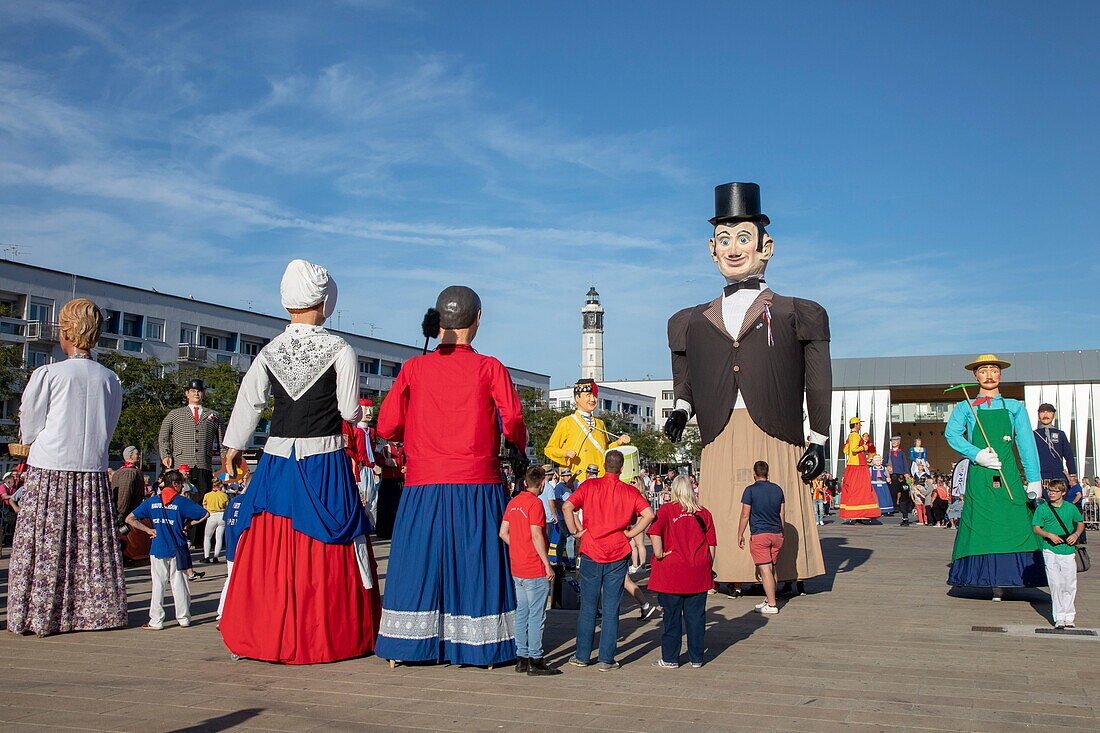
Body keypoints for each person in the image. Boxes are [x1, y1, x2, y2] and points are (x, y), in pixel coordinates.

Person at [663, 181, 826, 592]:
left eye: (743, 238)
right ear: (711, 249)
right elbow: (684, 375)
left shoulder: (795, 312)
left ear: (766, 247)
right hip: (719, 424)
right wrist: (682, 408)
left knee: (777, 493)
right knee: (722, 493)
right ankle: (728, 571)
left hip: (777, 425)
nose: (733, 249)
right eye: (724, 240)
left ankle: (785, 569)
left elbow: (818, 378)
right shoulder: (691, 319)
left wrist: (819, 438)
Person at [219, 259, 381, 664]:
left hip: (277, 460)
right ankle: (325, 636)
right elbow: (348, 410)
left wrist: (233, 444)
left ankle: (264, 630)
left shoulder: (270, 350)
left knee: (270, 542)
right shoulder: (340, 348)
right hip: (323, 461)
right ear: (324, 300)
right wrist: (369, 417)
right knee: (329, 544)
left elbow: (249, 400)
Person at [375, 285, 527, 668]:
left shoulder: (414, 367)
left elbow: (387, 425)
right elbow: (514, 422)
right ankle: (480, 647)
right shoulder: (489, 367)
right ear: (477, 319)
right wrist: (517, 445)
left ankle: (406, 646)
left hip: (423, 484)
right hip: (476, 483)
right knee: (476, 561)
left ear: (439, 320)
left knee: (419, 561)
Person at [6, 298, 126, 637]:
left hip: (50, 468)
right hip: (91, 468)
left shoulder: (48, 373)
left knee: (44, 545)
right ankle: (91, 612)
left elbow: (29, 426)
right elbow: (111, 423)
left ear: (66, 332)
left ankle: (38, 612)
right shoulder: (110, 378)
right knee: (88, 544)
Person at [945, 354, 1044, 600]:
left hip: (1008, 474)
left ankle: (1017, 577)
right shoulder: (965, 407)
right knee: (982, 524)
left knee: (1016, 520)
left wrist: (1034, 478)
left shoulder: (1014, 407)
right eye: (983, 371)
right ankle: (987, 578)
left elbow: (1026, 444)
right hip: (980, 475)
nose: (989, 375)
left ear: (1001, 374)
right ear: (975, 376)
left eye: (994, 370)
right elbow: (952, 435)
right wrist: (976, 454)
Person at [563, 449, 655, 670]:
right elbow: (649, 514)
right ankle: (606, 659)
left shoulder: (589, 486)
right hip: (617, 552)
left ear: (604, 465)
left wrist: (577, 532)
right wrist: (631, 534)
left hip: (592, 550)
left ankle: (582, 656)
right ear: (621, 468)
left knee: (588, 607)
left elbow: (567, 506)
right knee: (611, 607)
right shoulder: (629, 491)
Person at [648, 475, 716, 669]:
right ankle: (696, 658)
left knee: (671, 618)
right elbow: (711, 544)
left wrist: (659, 553)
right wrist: (708, 566)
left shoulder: (666, 510)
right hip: (698, 571)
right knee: (696, 618)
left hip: (672, 571)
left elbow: (654, 532)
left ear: (675, 490)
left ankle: (670, 658)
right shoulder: (704, 513)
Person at [126, 469, 208, 629]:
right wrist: (188, 525)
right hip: (178, 546)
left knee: (158, 585)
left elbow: (129, 518)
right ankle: (183, 618)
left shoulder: (152, 501)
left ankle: (156, 620)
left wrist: (148, 530)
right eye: (181, 484)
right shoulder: (182, 502)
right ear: (175, 484)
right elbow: (205, 514)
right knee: (179, 584)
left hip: (158, 547)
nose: (182, 488)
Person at [499, 465, 561, 676]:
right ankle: (536, 658)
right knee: (537, 616)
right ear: (542, 483)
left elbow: (503, 532)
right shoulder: (535, 504)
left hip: (517, 565)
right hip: (534, 566)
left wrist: (517, 545)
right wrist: (547, 563)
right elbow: (536, 535)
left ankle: (521, 657)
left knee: (522, 613)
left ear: (525, 482)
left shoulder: (513, 502)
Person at [159, 378, 223, 548]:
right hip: (181, 463)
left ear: (204, 393)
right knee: (180, 499)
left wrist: (225, 460)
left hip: (203, 463)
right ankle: (179, 534)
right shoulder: (175, 414)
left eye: (199, 391)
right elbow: (164, 435)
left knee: (202, 499)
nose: (196, 393)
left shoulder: (214, 415)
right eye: (193, 391)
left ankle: (200, 539)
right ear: (187, 393)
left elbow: (222, 440)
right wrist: (165, 453)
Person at [544, 379, 631, 479]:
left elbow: (605, 451)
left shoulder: (600, 423)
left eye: (595, 396)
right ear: (577, 397)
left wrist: (619, 442)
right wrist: (565, 453)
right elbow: (549, 449)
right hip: (577, 479)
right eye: (588, 395)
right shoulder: (566, 422)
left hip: (600, 477)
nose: (593, 399)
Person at [1032, 480, 1084, 628]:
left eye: (1055, 491)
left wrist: (1076, 534)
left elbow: (1080, 523)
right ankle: (1059, 617)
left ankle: (1069, 615)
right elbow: (1036, 528)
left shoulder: (1070, 508)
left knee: (1069, 583)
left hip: (1068, 548)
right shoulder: (1043, 508)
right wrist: (1048, 535)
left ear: (1063, 493)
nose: (1051, 493)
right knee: (1056, 583)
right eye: (1050, 491)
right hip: (1050, 548)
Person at [737, 461, 786, 615]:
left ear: (754, 473)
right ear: (767, 472)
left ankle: (772, 604)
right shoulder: (778, 489)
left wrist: (740, 533)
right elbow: (782, 514)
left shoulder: (750, 491)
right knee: (772, 568)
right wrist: (781, 531)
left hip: (760, 533)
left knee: (765, 570)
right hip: (777, 534)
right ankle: (769, 598)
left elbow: (745, 514)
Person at [112, 446, 151, 564]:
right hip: (129, 512)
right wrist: (121, 512)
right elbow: (124, 493)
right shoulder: (128, 472)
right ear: (130, 455)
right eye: (136, 454)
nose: (138, 456)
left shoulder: (122, 471)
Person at [216, 478, 248, 623]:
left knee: (230, 580)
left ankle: (222, 613)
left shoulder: (234, 501)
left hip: (231, 546)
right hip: (244, 549)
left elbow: (226, 520)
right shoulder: (253, 503)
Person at [840, 417, 881, 523]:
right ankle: (860, 513)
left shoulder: (850, 436)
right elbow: (853, 449)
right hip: (859, 466)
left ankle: (854, 514)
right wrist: (864, 448)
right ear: (856, 424)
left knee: (852, 489)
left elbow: (845, 450)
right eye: (859, 424)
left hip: (851, 465)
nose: (860, 426)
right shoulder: (856, 436)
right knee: (862, 489)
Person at [1033, 404, 1076, 487]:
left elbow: (1069, 455)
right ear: (1038, 415)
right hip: (1041, 475)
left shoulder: (1060, 434)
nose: (1045, 414)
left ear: (1054, 415)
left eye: (1049, 412)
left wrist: (1072, 474)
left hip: (1058, 475)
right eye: (1042, 412)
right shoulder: (1033, 434)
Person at [886, 436, 913, 526]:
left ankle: (905, 517)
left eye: (896, 441)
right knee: (892, 494)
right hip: (892, 476)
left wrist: (907, 473)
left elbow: (905, 463)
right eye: (893, 441)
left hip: (901, 476)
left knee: (904, 495)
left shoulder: (901, 453)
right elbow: (883, 463)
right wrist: (887, 468)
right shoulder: (888, 453)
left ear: (899, 442)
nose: (894, 442)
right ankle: (890, 509)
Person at [202, 479, 229, 562]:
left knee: (207, 537)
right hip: (221, 515)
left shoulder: (207, 495)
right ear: (220, 485)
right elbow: (227, 506)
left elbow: (204, 506)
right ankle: (216, 556)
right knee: (219, 537)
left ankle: (206, 557)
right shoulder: (224, 495)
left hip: (211, 515)